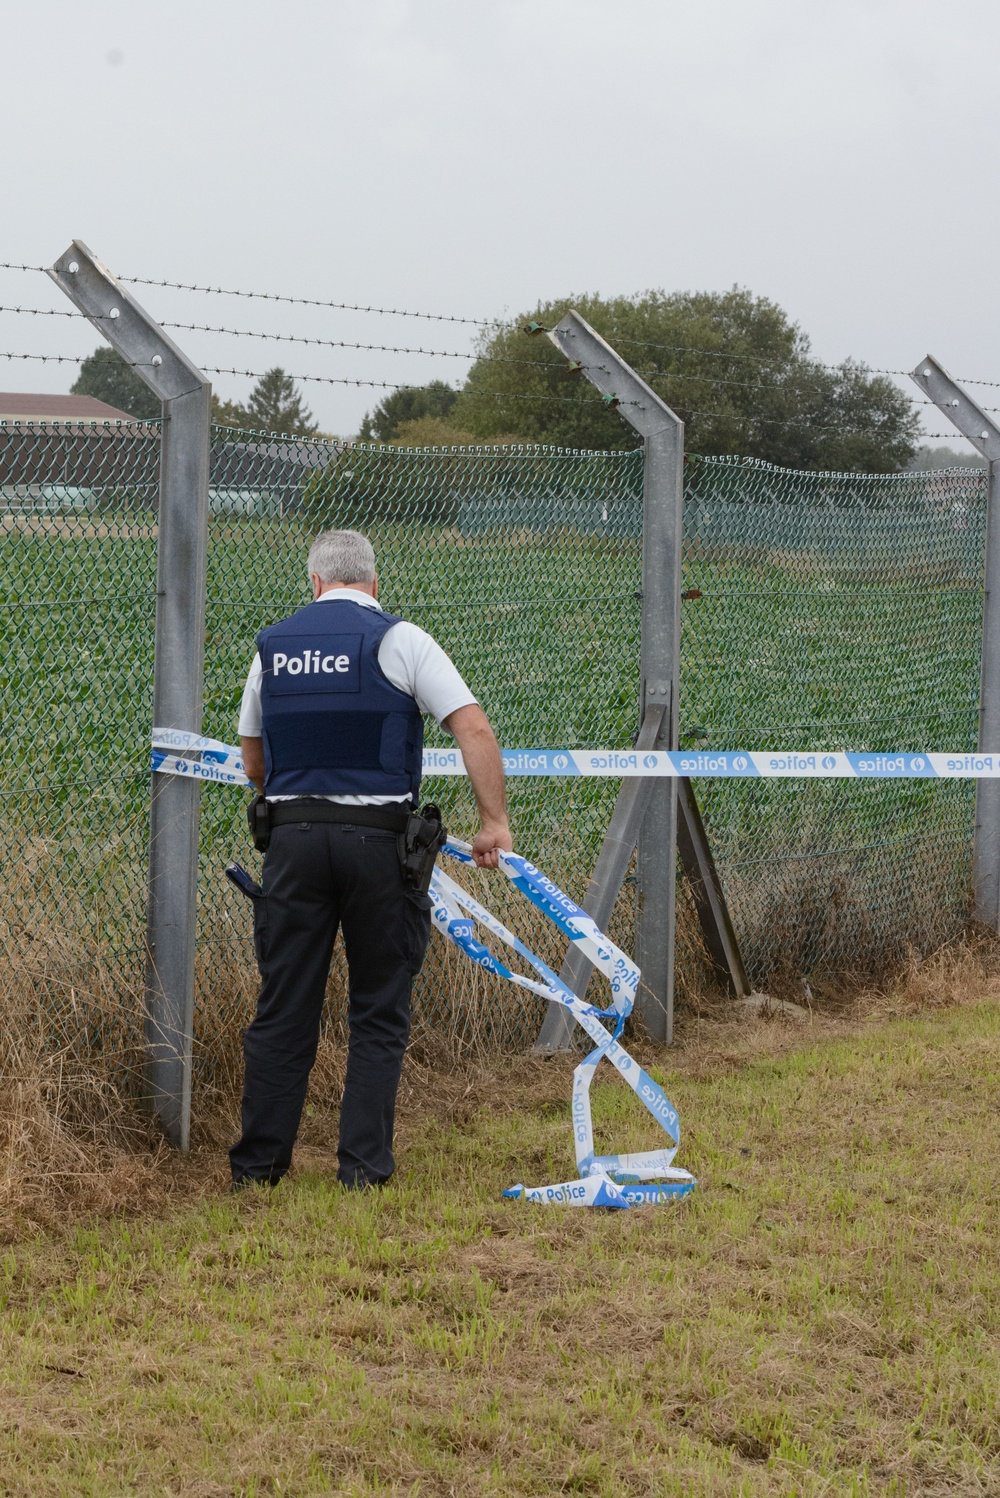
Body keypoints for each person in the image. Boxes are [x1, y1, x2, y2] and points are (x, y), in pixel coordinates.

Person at [229, 528, 512, 1191]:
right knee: (378, 1008)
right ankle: (361, 1171)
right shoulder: (402, 639)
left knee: (284, 1007)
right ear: (373, 585)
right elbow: (472, 726)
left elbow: (252, 760)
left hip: (293, 843)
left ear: (316, 584)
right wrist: (492, 822)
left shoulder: (273, 648)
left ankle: (257, 1169)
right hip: (379, 845)